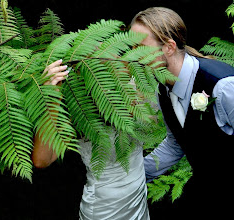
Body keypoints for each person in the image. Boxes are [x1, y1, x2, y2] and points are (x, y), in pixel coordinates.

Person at [130, 7, 234, 220]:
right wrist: (134, 175)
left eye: (139, 48)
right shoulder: (162, 87)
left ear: (169, 47)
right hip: (208, 192)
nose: (132, 56)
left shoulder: (226, 88)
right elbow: (175, 143)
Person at [32, 60, 150, 220]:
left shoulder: (138, 91)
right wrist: (50, 97)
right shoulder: (80, 115)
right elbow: (41, 160)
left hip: (138, 201)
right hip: (103, 208)